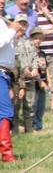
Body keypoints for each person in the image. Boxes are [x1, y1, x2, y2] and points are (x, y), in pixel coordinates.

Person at [0, 16, 23, 161]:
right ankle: (7, 154)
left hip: (5, 73)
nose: (1, 1)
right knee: (5, 112)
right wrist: (11, 31)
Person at [13, 14, 36, 132]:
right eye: (19, 23)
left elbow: (35, 56)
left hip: (30, 79)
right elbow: (15, 61)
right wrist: (24, 69)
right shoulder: (12, 42)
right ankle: (15, 130)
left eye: (24, 24)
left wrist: (35, 68)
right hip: (18, 80)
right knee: (16, 107)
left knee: (30, 106)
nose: (22, 26)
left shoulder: (29, 42)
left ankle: (29, 130)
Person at [29, 28, 48, 131]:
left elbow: (47, 68)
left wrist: (49, 82)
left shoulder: (42, 53)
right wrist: (41, 82)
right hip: (35, 84)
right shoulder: (30, 53)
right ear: (31, 38)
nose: (38, 40)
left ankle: (39, 125)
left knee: (41, 106)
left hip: (43, 84)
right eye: (35, 38)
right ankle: (33, 125)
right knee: (34, 105)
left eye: (40, 38)